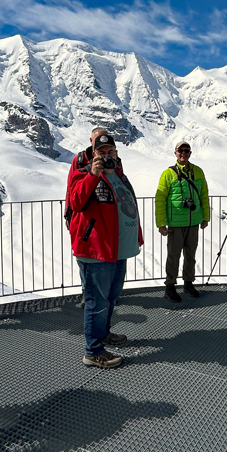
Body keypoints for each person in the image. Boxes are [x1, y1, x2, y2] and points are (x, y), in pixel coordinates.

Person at [68, 133, 142, 368]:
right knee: (96, 301)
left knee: (110, 297)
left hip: (117, 249)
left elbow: (128, 204)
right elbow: (76, 202)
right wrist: (93, 174)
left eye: (111, 151)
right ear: (93, 154)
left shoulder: (120, 174)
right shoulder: (83, 174)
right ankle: (93, 351)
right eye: (102, 152)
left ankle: (104, 334)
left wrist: (136, 234)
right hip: (96, 249)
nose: (107, 156)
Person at [155, 141, 211, 302]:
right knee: (173, 256)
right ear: (175, 153)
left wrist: (205, 217)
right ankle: (170, 287)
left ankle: (188, 283)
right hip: (175, 223)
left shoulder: (198, 171)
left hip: (193, 221)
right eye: (181, 151)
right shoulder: (168, 174)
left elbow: (204, 195)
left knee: (190, 255)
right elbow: (160, 199)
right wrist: (161, 223)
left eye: (187, 151)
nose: (184, 154)